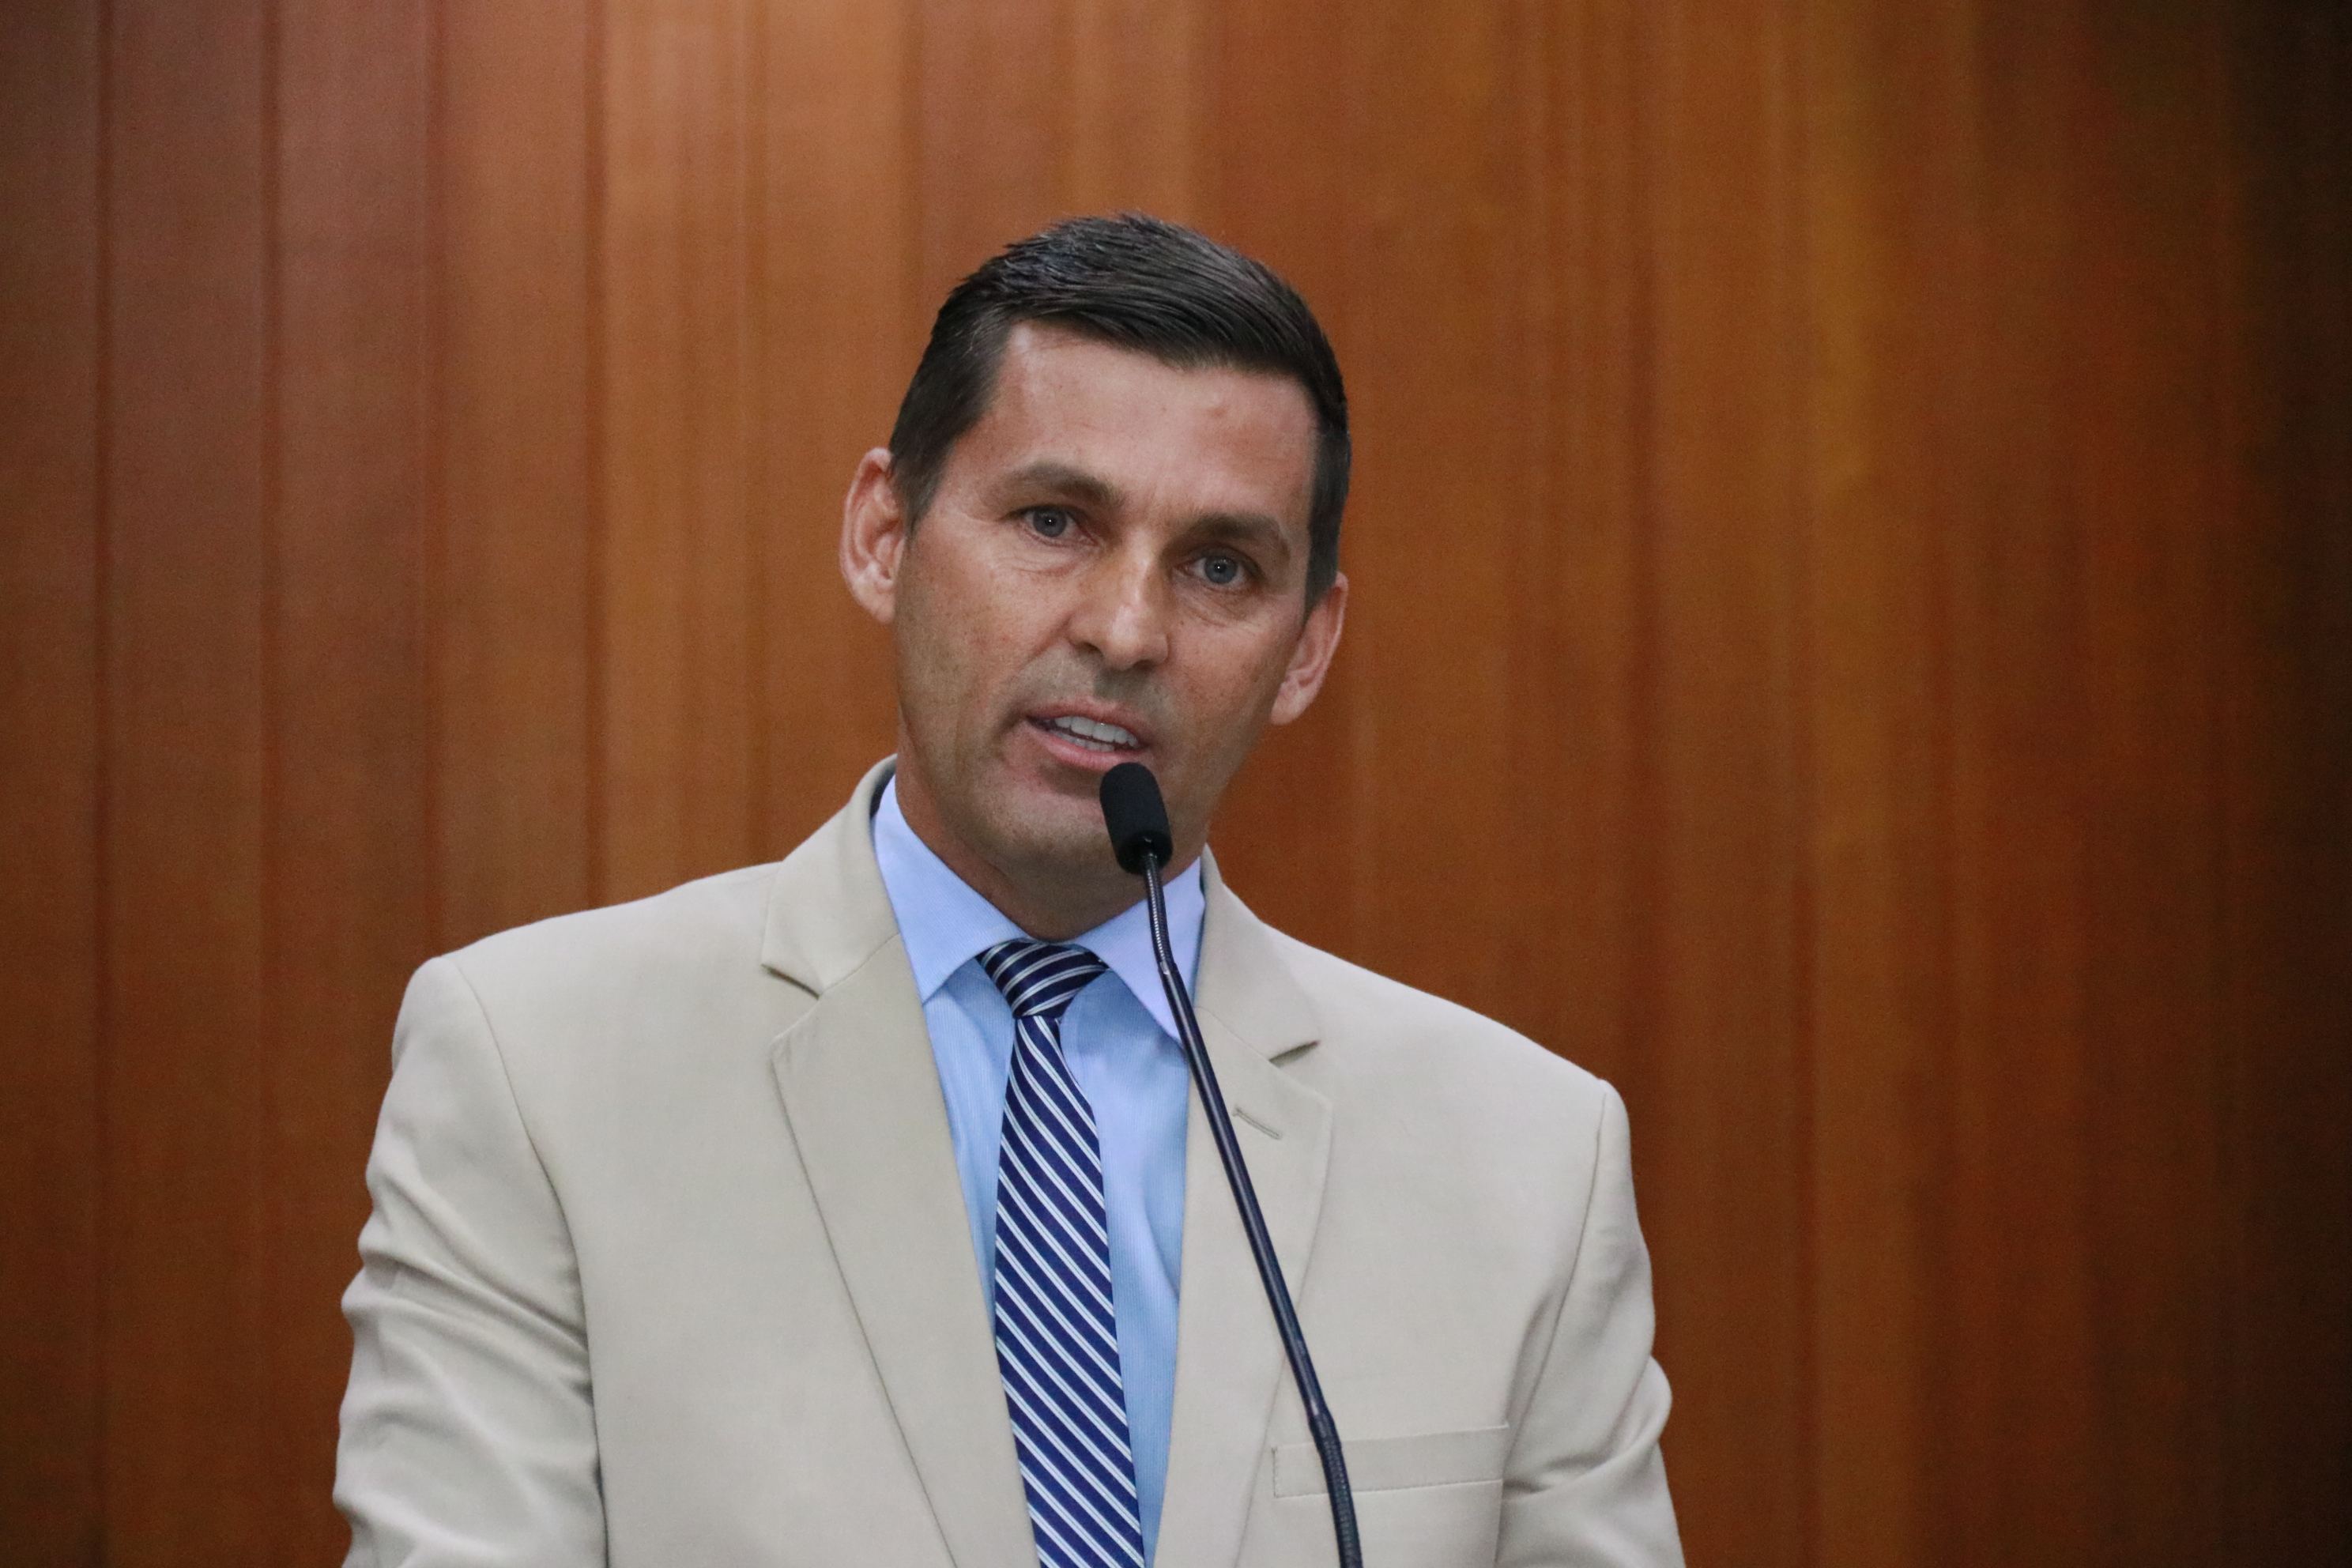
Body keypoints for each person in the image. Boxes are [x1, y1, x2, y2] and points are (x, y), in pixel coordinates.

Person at [334, 213, 1683, 1568]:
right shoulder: (539, 1070)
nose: (1125, 630)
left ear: (1305, 651)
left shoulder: (1527, 1160)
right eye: (1054, 522)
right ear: (884, 534)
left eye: (1220, 567)